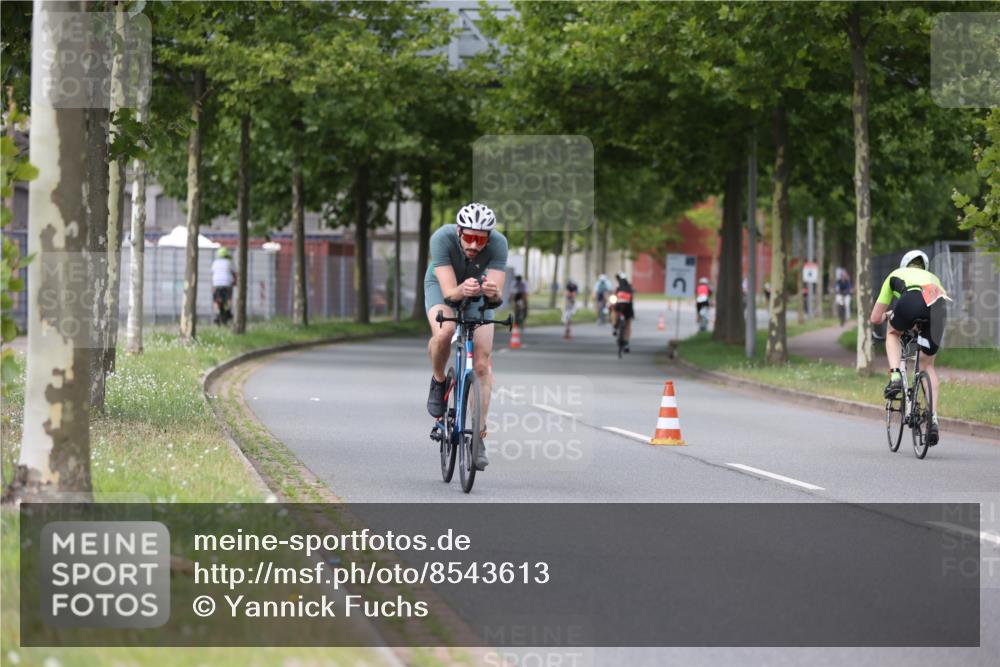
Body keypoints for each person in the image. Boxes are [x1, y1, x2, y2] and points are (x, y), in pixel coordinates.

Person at [424, 202, 508, 470]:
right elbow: (450, 293)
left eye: (480, 239)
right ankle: (439, 380)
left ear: (489, 238)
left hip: (477, 293)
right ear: (459, 231)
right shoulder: (442, 237)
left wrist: (493, 293)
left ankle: (478, 438)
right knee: (445, 331)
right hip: (443, 287)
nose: (473, 244)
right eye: (469, 237)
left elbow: (496, 298)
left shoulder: (499, 244)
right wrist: (462, 290)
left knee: (482, 365)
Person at [869, 249, 949, 447]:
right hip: (938, 308)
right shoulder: (933, 278)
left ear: (905, 264)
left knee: (892, 333)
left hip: (910, 302)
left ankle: (895, 376)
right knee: (928, 366)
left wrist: (889, 315)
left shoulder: (895, 275)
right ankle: (933, 418)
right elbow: (925, 306)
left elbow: (875, 318)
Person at [211, 247, 237, 326]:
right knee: (228, 298)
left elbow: (212, 273)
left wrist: (213, 285)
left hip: (216, 284)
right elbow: (235, 273)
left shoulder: (215, 262)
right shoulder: (230, 262)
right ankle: (228, 311)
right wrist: (235, 282)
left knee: (216, 300)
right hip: (227, 283)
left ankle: (217, 314)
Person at [611, 272, 634, 353]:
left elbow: (613, 298)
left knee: (614, 311)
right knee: (628, 325)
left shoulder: (618, 288)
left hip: (619, 306)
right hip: (628, 308)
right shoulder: (629, 287)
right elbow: (631, 300)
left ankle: (614, 327)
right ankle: (626, 343)